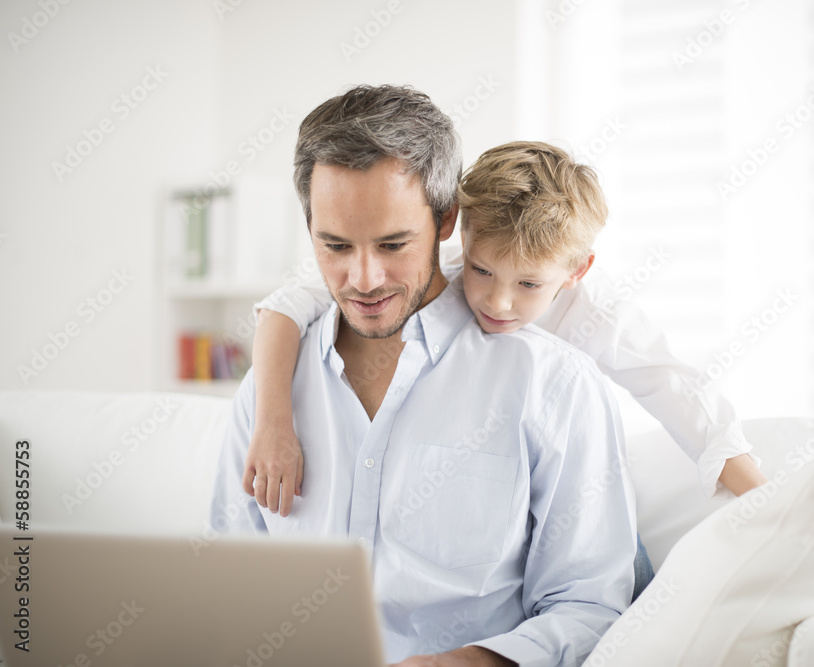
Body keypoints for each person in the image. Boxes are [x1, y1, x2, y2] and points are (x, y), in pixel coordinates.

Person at [209, 85, 637, 667]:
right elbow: (227, 585)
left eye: (393, 244)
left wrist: (469, 661)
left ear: (446, 220)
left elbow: (590, 604)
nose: (363, 278)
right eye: (334, 245)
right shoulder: (271, 390)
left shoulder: (553, 386)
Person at [243, 147, 768, 523]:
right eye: (482, 271)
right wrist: (273, 424)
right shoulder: (436, 268)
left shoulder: (599, 313)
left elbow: (678, 392)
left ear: (576, 271)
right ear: (462, 235)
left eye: (529, 285)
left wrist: (769, 506)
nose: (497, 302)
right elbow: (285, 305)